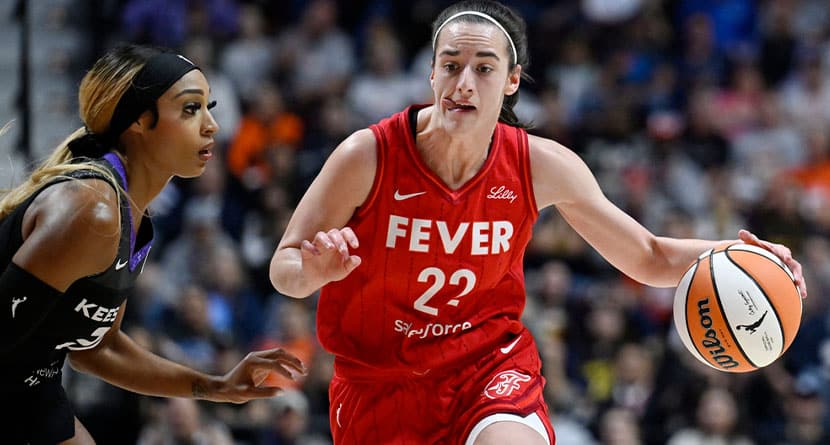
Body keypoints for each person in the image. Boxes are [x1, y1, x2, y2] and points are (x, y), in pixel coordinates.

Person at [269, 1, 807, 444]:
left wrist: (746, 258)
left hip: (485, 368)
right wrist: (313, 270)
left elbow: (646, 255)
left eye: (484, 68)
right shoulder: (367, 155)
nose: (464, 82)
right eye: (451, 65)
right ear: (430, 71)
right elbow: (283, 267)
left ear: (510, 81)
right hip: (376, 383)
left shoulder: (539, 164)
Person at [0, 44, 305, 444]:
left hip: (32, 386)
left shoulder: (131, 218)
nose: (212, 124)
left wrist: (214, 387)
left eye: (208, 107)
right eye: (191, 109)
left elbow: (98, 349)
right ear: (140, 121)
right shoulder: (93, 213)